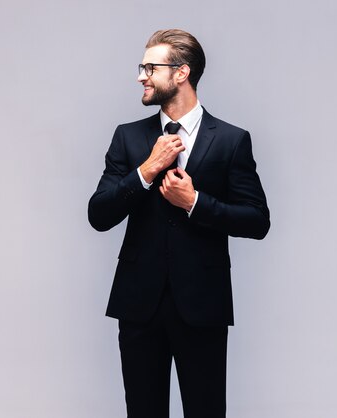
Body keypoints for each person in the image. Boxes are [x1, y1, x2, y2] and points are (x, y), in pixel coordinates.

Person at [88, 29, 270, 418]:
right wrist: (147, 170)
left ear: (181, 72)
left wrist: (196, 203)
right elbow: (98, 214)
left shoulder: (232, 141)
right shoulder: (129, 137)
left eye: (149, 67)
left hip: (202, 304)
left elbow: (257, 220)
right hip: (139, 305)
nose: (141, 76)